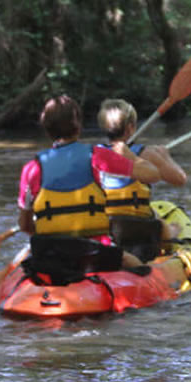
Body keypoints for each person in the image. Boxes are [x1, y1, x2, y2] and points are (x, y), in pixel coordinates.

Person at [16, 94, 163, 277]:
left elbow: (25, 225)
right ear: (78, 126)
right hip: (94, 253)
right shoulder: (97, 156)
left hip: (50, 255)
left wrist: (53, 233)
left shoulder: (31, 169)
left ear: (47, 129)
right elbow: (153, 175)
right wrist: (131, 156)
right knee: (133, 263)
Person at [97, 98, 187, 262]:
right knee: (172, 227)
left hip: (107, 227)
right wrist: (166, 156)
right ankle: (170, 234)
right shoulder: (146, 154)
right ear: (131, 128)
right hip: (141, 228)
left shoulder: (94, 155)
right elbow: (180, 179)